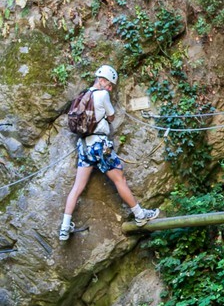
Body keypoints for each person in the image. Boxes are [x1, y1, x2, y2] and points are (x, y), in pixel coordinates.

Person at [58, 64, 159, 241]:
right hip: (99, 145)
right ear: (102, 80)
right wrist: (105, 115)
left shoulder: (84, 94)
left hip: (84, 146)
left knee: (77, 187)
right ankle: (140, 215)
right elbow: (111, 116)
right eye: (110, 84)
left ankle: (65, 227)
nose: (110, 88)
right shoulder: (102, 95)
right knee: (120, 179)